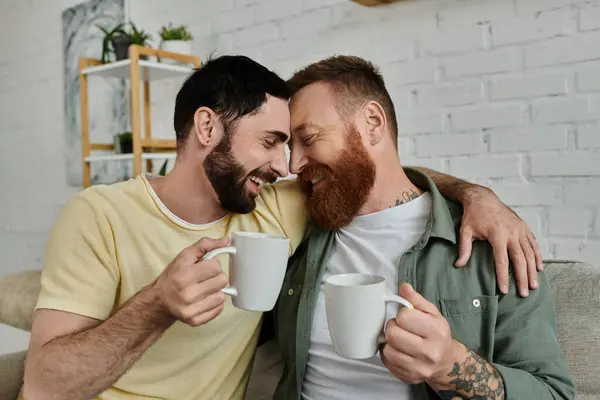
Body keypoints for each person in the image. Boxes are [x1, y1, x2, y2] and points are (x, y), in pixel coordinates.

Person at [22, 55, 540, 400]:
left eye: (298, 141)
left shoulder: (276, 205)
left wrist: (478, 195)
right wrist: (157, 304)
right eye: (273, 142)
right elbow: (44, 383)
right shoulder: (100, 214)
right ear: (207, 127)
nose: (288, 165)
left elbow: (375, 173)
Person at [271, 55, 575, 400]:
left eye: (308, 139)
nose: (293, 164)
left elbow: (554, 394)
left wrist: (453, 367)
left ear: (372, 123)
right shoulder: (296, 226)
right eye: (289, 147)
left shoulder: (490, 244)